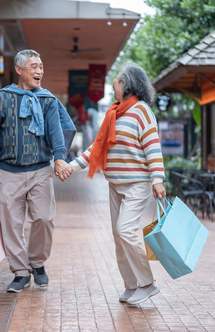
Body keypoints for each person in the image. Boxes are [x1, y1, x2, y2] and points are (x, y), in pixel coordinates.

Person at [69, 62, 166, 305]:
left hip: (137, 183)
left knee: (126, 230)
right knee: (118, 236)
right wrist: (71, 167)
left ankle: (147, 284)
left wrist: (157, 179)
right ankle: (131, 286)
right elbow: (97, 147)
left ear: (127, 83)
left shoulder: (142, 111)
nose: (113, 86)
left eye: (116, 82)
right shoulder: (114, 111)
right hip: (114, 183)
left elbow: (152, 146)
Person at [0, 49, 73, 293]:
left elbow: (56, 133)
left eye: (41, 66)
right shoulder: (1, 98)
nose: (39, 71)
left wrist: (60, 159)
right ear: (19, 70)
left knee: (44, 218)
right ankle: (20, 272)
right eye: (33, 66)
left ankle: (37, 263)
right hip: (8, 172)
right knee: (10, 223)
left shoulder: (47, 100)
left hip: (41, 169)